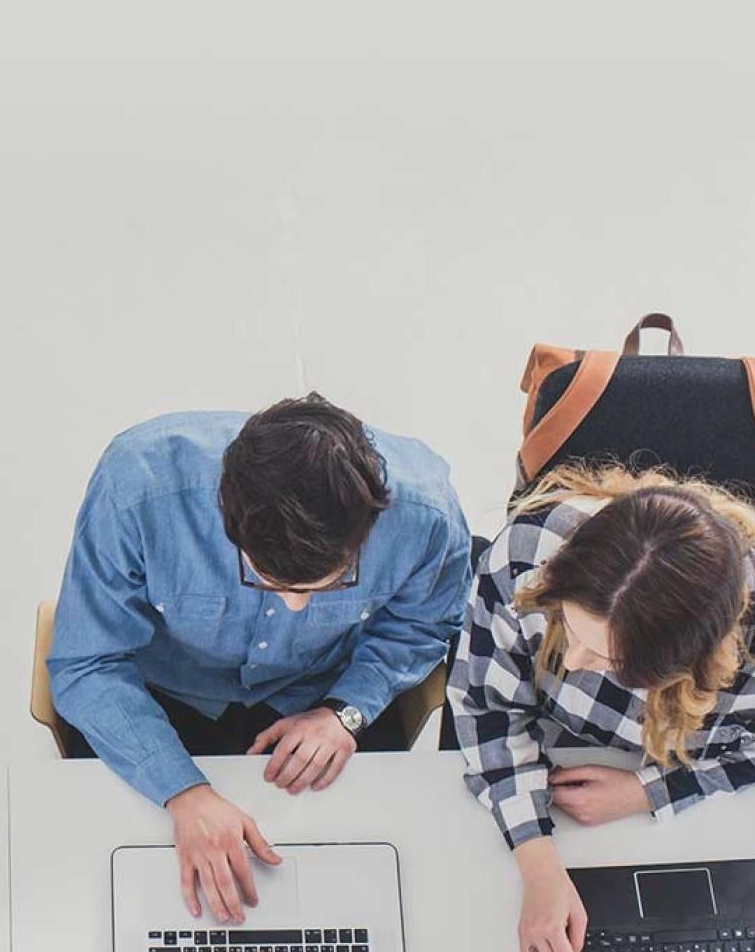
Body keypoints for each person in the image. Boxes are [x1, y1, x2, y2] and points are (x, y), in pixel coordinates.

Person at [50, 394, 471, 923]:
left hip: (323, 691)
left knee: (364, 902)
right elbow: (87, 662)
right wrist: (183, 792)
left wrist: (348, 710)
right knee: (139, 906)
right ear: (227, 517)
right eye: (268, 580)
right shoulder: (137, 488)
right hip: (161, 699)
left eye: (331, 584)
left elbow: (423, 624)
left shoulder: (426, 515)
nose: (294, 604)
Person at [448, 465, 755, 952]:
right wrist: (538, 864)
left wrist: (651, 791)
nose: (572, 660)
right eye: (568, 627)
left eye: (607, 658)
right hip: (551, 770)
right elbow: (486, 708)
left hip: (676, 820)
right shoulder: (530, 551)